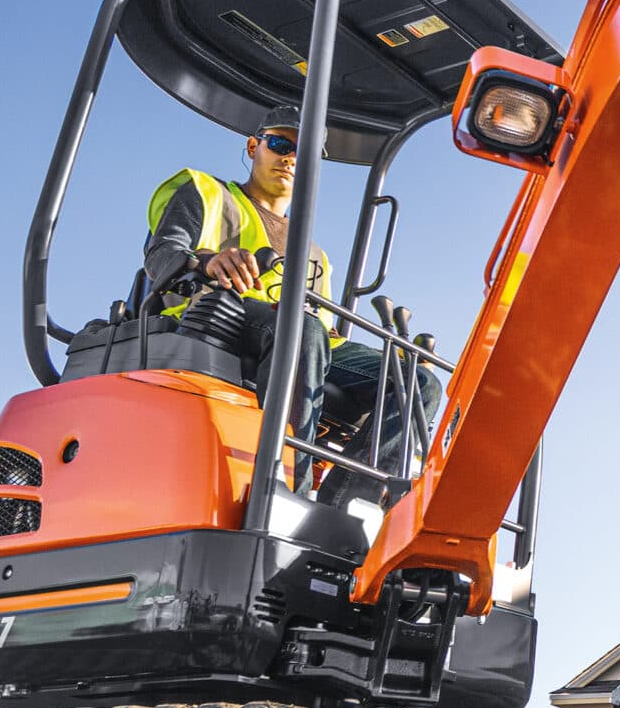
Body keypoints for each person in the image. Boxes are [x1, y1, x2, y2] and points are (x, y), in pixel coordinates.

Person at [142, 107, 440, 505]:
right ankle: (288, 490)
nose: (289, 158)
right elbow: (162, 253)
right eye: (280, 144)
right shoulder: (206, 193)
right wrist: (207, 261)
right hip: (215, 319)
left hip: (299, 336)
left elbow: (327, 331)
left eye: (303, 153)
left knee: (417, 383)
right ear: (253, 147)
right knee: (303, 329)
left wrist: (392, 356)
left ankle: (349, 502)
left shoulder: (315, 257)